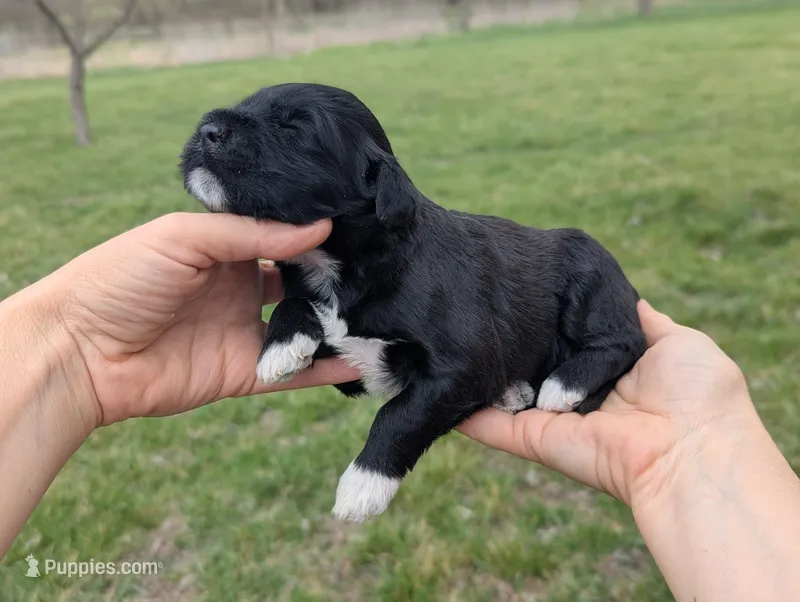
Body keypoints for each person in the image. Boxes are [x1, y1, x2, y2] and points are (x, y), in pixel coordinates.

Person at [0, 213, 797, 601]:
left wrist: (698, 447)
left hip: (549, 308)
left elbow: (434, 362)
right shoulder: (320, 269)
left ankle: (588, 364)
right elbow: (346, 343)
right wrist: (69, 349)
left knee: (577, 273)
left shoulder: (449, 268)